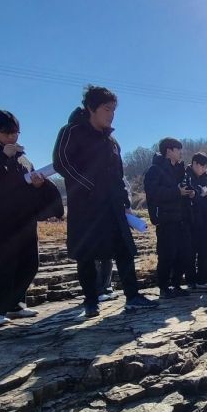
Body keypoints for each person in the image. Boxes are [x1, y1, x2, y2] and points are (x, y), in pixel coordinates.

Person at [53, 85, 158, 317]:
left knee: (124, 250)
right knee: (87, 254)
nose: (111, 114)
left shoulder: (112, 142)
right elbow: (62, 162)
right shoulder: (72, 131)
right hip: (85, 206)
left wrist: (125, 203)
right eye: (107, 109)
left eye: (113, 110)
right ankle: (91, 301)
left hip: (113, 206)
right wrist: (88, 187)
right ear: (91, 108)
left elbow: (118, 176)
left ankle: (132, 296)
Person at [0, 109, 62, 327]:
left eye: (16, 133)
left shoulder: (23, 157)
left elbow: (25, 183)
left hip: (25, 216)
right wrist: (4, 155)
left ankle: (15, 304)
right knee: (4, 262)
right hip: (1, 217)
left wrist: (39, 183)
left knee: (30, 263)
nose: (12, 137)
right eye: (7, 133)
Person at [143, 137, 194, 297]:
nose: (180, 153)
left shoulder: (180, 169)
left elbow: (183, 188)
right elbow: (153, 193)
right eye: (178, 150)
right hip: (166, 219)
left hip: (182, 217)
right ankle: (164, 288)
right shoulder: (155, 170)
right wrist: (176, 192)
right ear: (169, 151)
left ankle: (177, 284)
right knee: (167, 254)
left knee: (183, 253)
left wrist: (191, 192)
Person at [184, 152, 207, 288]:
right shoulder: (185, 176)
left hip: (205, 220)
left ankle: (203, 279)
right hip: (190, 219)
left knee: (205, 252)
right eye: (201, 166)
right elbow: (188, 197)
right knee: (190, 252)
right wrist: (199, 195)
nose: (203, 170)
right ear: (194, 164)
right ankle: (191, 280)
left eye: (205, 168)